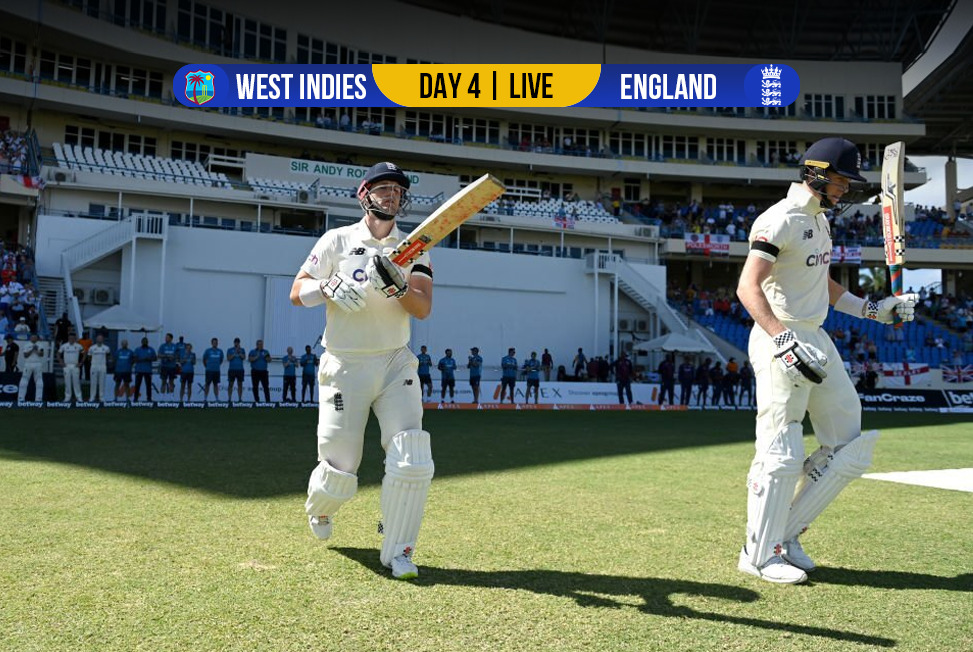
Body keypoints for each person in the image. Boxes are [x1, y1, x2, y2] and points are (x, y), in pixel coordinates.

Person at [735, 136, 917, 584]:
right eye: (840, 180)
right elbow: (747, 287)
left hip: (815, 335)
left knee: (849, 445)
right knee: (781, 449)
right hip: (779, 336)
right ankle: (759, 553)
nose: (845, 189)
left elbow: (824, 285)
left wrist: (873, 310)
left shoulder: (819, 221)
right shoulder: (779, 219)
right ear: (816, 174)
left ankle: (786, 534)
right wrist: (781, 339)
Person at [288, 161, 434, 580]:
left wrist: (400, 288)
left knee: (411, 456)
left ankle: (399, 550)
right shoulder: (337, 240)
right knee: (341, 467)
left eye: (398, 190)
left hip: (394, 362)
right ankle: (320, 507)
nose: (391, 195)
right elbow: (296, 292)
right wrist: (326, 286)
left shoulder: (413, 248)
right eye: (383, 188)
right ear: (364, 195)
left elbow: (422, 307)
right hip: (345, 363)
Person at [17, 333, 45, 402]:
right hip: (28, 363)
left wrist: (36, 350)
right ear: (30, 338)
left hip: (37, 364)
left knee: (39, 381)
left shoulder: (40, 345)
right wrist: (32, 349)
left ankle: (38, 399)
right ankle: (21, 398)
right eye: (32, 337)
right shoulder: (26, 345)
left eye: (35, 337)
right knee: (24, 380)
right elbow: (25, 355)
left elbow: (41, 354)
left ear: (37, 338)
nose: (34, 339)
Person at [58, 332, 85, 402]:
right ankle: (67, 397)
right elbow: (58, 353)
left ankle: (79, 397)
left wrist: (81, 363)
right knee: (67, 382)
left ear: (75, 339)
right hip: (66, 366)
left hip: (75, 366)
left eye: (73, 338)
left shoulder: (79, 346)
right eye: (70, 338)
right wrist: (61, 362)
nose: (71, 339)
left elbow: (84, 353)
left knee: (76, 382)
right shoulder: (64, 346)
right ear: (68, 338)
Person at [87, 334, 111, 403]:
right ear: (96, 339)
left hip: (102, 366)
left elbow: (108, 357)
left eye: (101, 338)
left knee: (102, 382)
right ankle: (92, 397)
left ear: (103, 340)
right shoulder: (92, 348)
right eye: (98, 338)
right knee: (93, 382)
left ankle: (101, 397)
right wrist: (92, 363)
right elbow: (89, 357)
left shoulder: (106, 348)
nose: (100, 340)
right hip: (94, 366)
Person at [132, 336, 157, 402]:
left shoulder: (151, 349)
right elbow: (134, 359)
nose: (145, 343)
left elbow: (155, 358)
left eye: (146, 341)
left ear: (147, 342)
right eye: (143, 341)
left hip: (148, 370)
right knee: (137, 385)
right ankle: (135, 398)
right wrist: (143, 359)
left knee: (148, 385)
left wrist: (149, 359)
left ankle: (149, 398)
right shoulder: (137, 349)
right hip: (139, 370)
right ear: (141, 342)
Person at [202, 337, 224, 401]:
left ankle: (217, 399)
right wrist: (207, 366)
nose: (215, 344)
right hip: (209, 370)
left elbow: (221, 360)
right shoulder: (208, 351)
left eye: (216, 342)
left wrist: (216, 365)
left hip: (216, 370)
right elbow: (204, 359)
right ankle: (205, 399)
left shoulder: (220, 351)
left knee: (215, 385)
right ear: (212, 343)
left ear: (217, 343)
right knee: (207, 384)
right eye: (214, 342)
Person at [226, 337, 247, 403]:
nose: (236, 343)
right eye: (235, 342)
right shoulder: (230, 350)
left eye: (238, 342)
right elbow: (229, 358)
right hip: (232, 369)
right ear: (234, 343)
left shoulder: (242, 350)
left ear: (239, 343)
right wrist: (235, 352)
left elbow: (244, 357)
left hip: (240, 369)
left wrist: (239, 352)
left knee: (240, 384)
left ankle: (240, 399)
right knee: (230, 384)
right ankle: (229, 399)